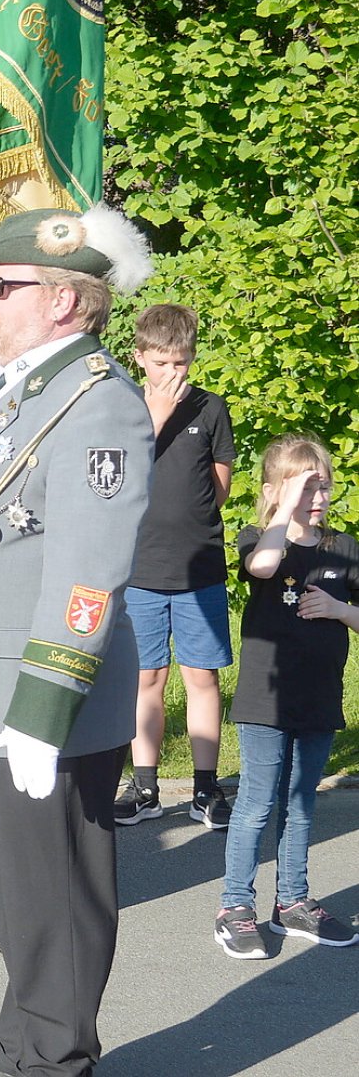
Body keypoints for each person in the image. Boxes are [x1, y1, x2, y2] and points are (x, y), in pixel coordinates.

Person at [0, 206, 155, 1077]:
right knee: (14, 895)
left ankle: (54, 1061)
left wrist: (44, 709)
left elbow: (89, 571)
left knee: (53, 903)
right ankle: (22, 1049)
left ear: (64, 303)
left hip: (34, 701)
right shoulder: (7, 386)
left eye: (0, 286)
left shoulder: (96, 403)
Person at [214, 434, 359, 958]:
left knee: (300, 804)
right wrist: (283, 509)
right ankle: (235, 905)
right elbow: (264, 568)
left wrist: (342, 611)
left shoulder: (343, 548)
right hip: (265, 700)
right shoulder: (258, 536)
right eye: (305, 486)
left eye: (323, 485)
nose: (317, 496)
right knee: (256, 803)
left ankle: (293, 901)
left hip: (319, 698)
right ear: (274, 491)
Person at [116, 303, 237, 829]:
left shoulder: (211, 408)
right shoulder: (120, 408)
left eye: (183, 362)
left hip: (198, 565)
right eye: (163, 363)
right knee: (146, 677)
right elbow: (116, 476)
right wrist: (159, 415)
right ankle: (145, 787)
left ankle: (206, 790)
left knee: (201, 676)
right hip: (138, 567)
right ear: (140, 357)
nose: (175, 373)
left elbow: (220, 488)